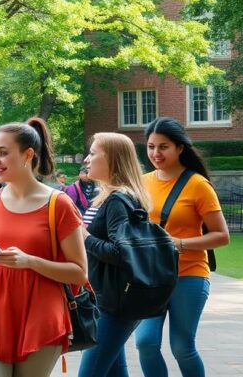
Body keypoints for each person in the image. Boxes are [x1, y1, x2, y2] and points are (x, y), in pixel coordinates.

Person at [0, 117, 87, 377]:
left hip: (41, 317)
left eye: (3, 153)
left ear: (28, 154)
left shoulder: (59, 204)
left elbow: (79, 273)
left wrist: (30, 261)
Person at [136, 117, 229, 377]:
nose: (156, 153)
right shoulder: (142, 182)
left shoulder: (198, 185)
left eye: (163, 146)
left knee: (181, 347)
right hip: (151, 276)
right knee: (145, 342)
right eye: (151, 146)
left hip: (189, 275)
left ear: (179, 148)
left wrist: (180, 243)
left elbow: (222, 236)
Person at [76, 132, 155, 377]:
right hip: (108, 300)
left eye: (93, 153)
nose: (87, 160)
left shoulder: (117, 201)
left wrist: (85, 237)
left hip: (115, 305)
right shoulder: (109, 197)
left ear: (113, 159)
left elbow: (121, 253)